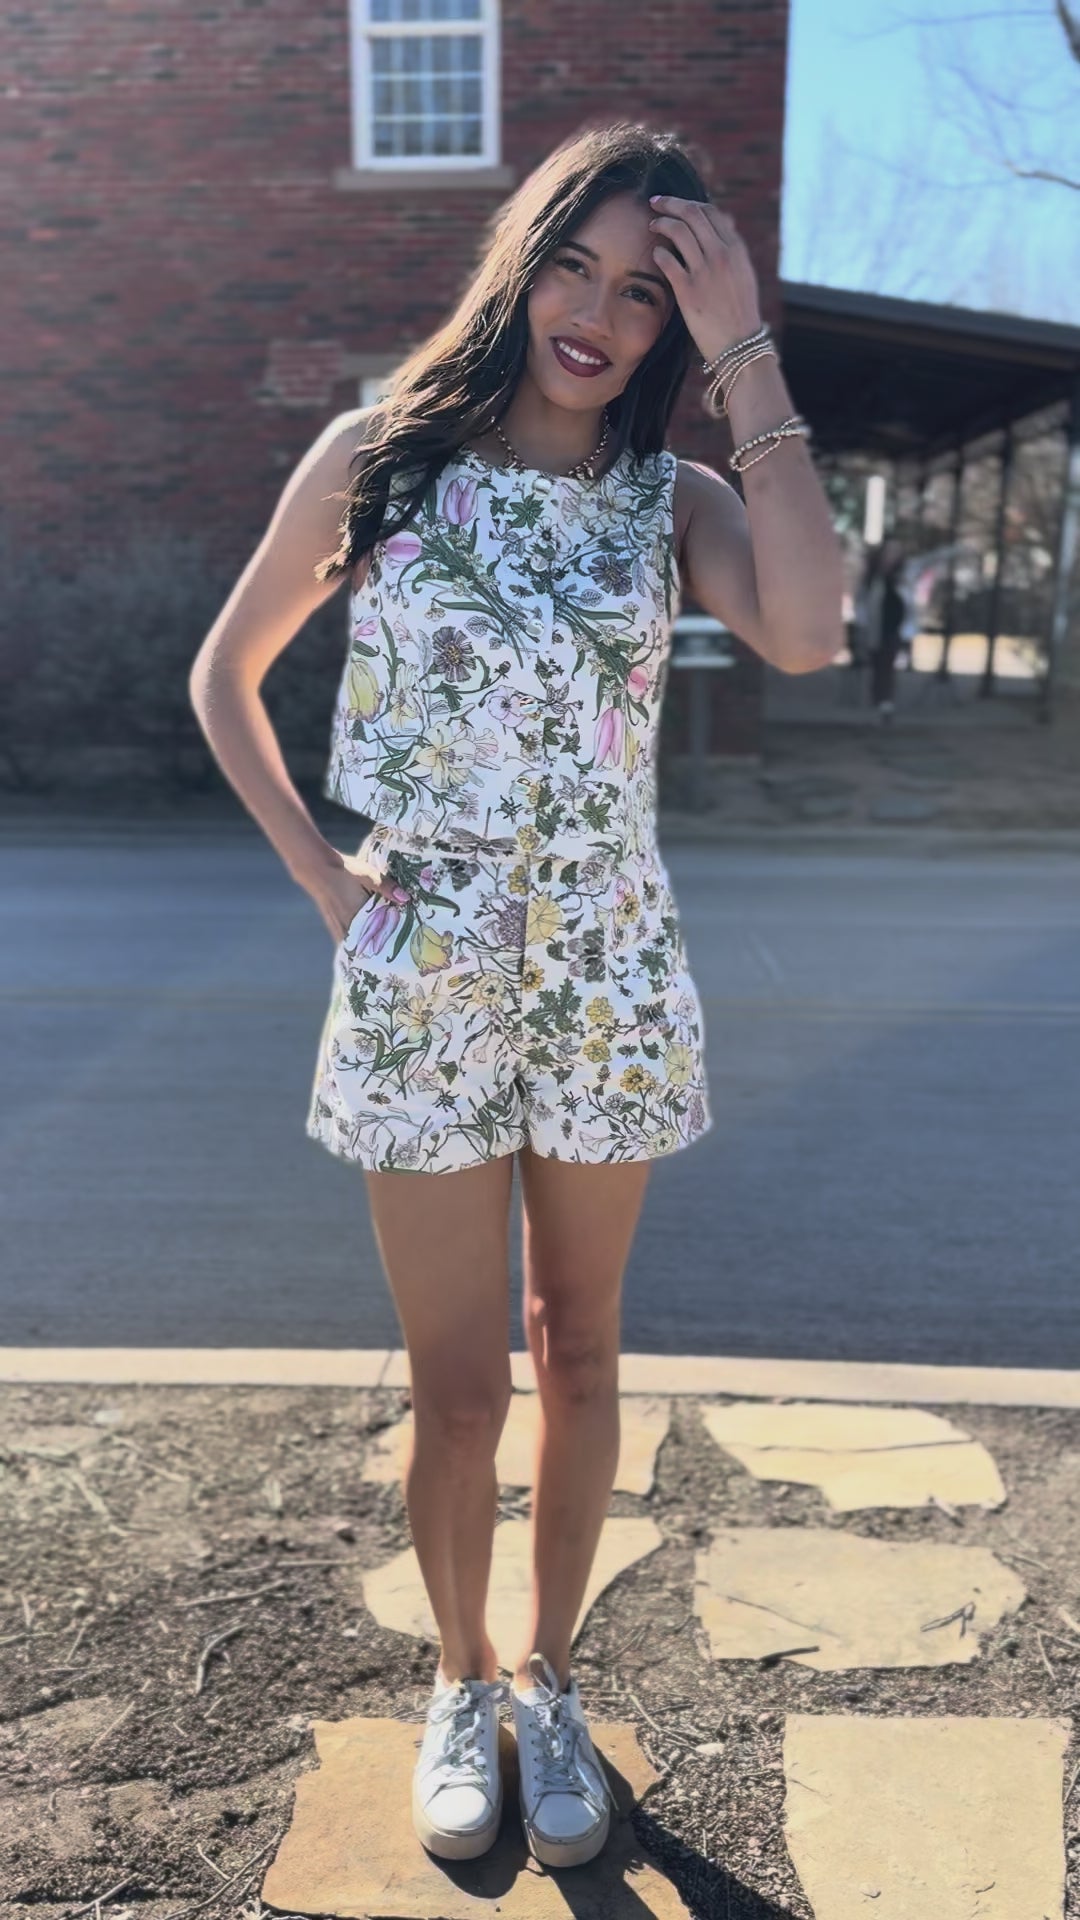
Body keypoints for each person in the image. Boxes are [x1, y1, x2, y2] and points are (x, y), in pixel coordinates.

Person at [188, 121, 841, 1871]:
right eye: (581, 264)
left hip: (611, 966)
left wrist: (747, 350)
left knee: (584, 1348)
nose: (602, 314)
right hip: (426, 970)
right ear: (524, 253)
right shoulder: (381, 460)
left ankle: (553, 1680)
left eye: (649, 292)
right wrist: (334, 888)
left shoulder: (671, 501)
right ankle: (460, 1684)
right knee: (459, 1380)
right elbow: (225, 675)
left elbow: (808, 629)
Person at [863, 537, 907, 721]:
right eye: (889, 551)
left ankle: (885, 703)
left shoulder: (901, 576)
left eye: (896, 551)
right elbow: (864, 601)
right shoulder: (874, 576)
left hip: (893, 628)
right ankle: (878, 701)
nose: (891, 556)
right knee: (877, 664)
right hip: (875, 626)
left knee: (887, 665)